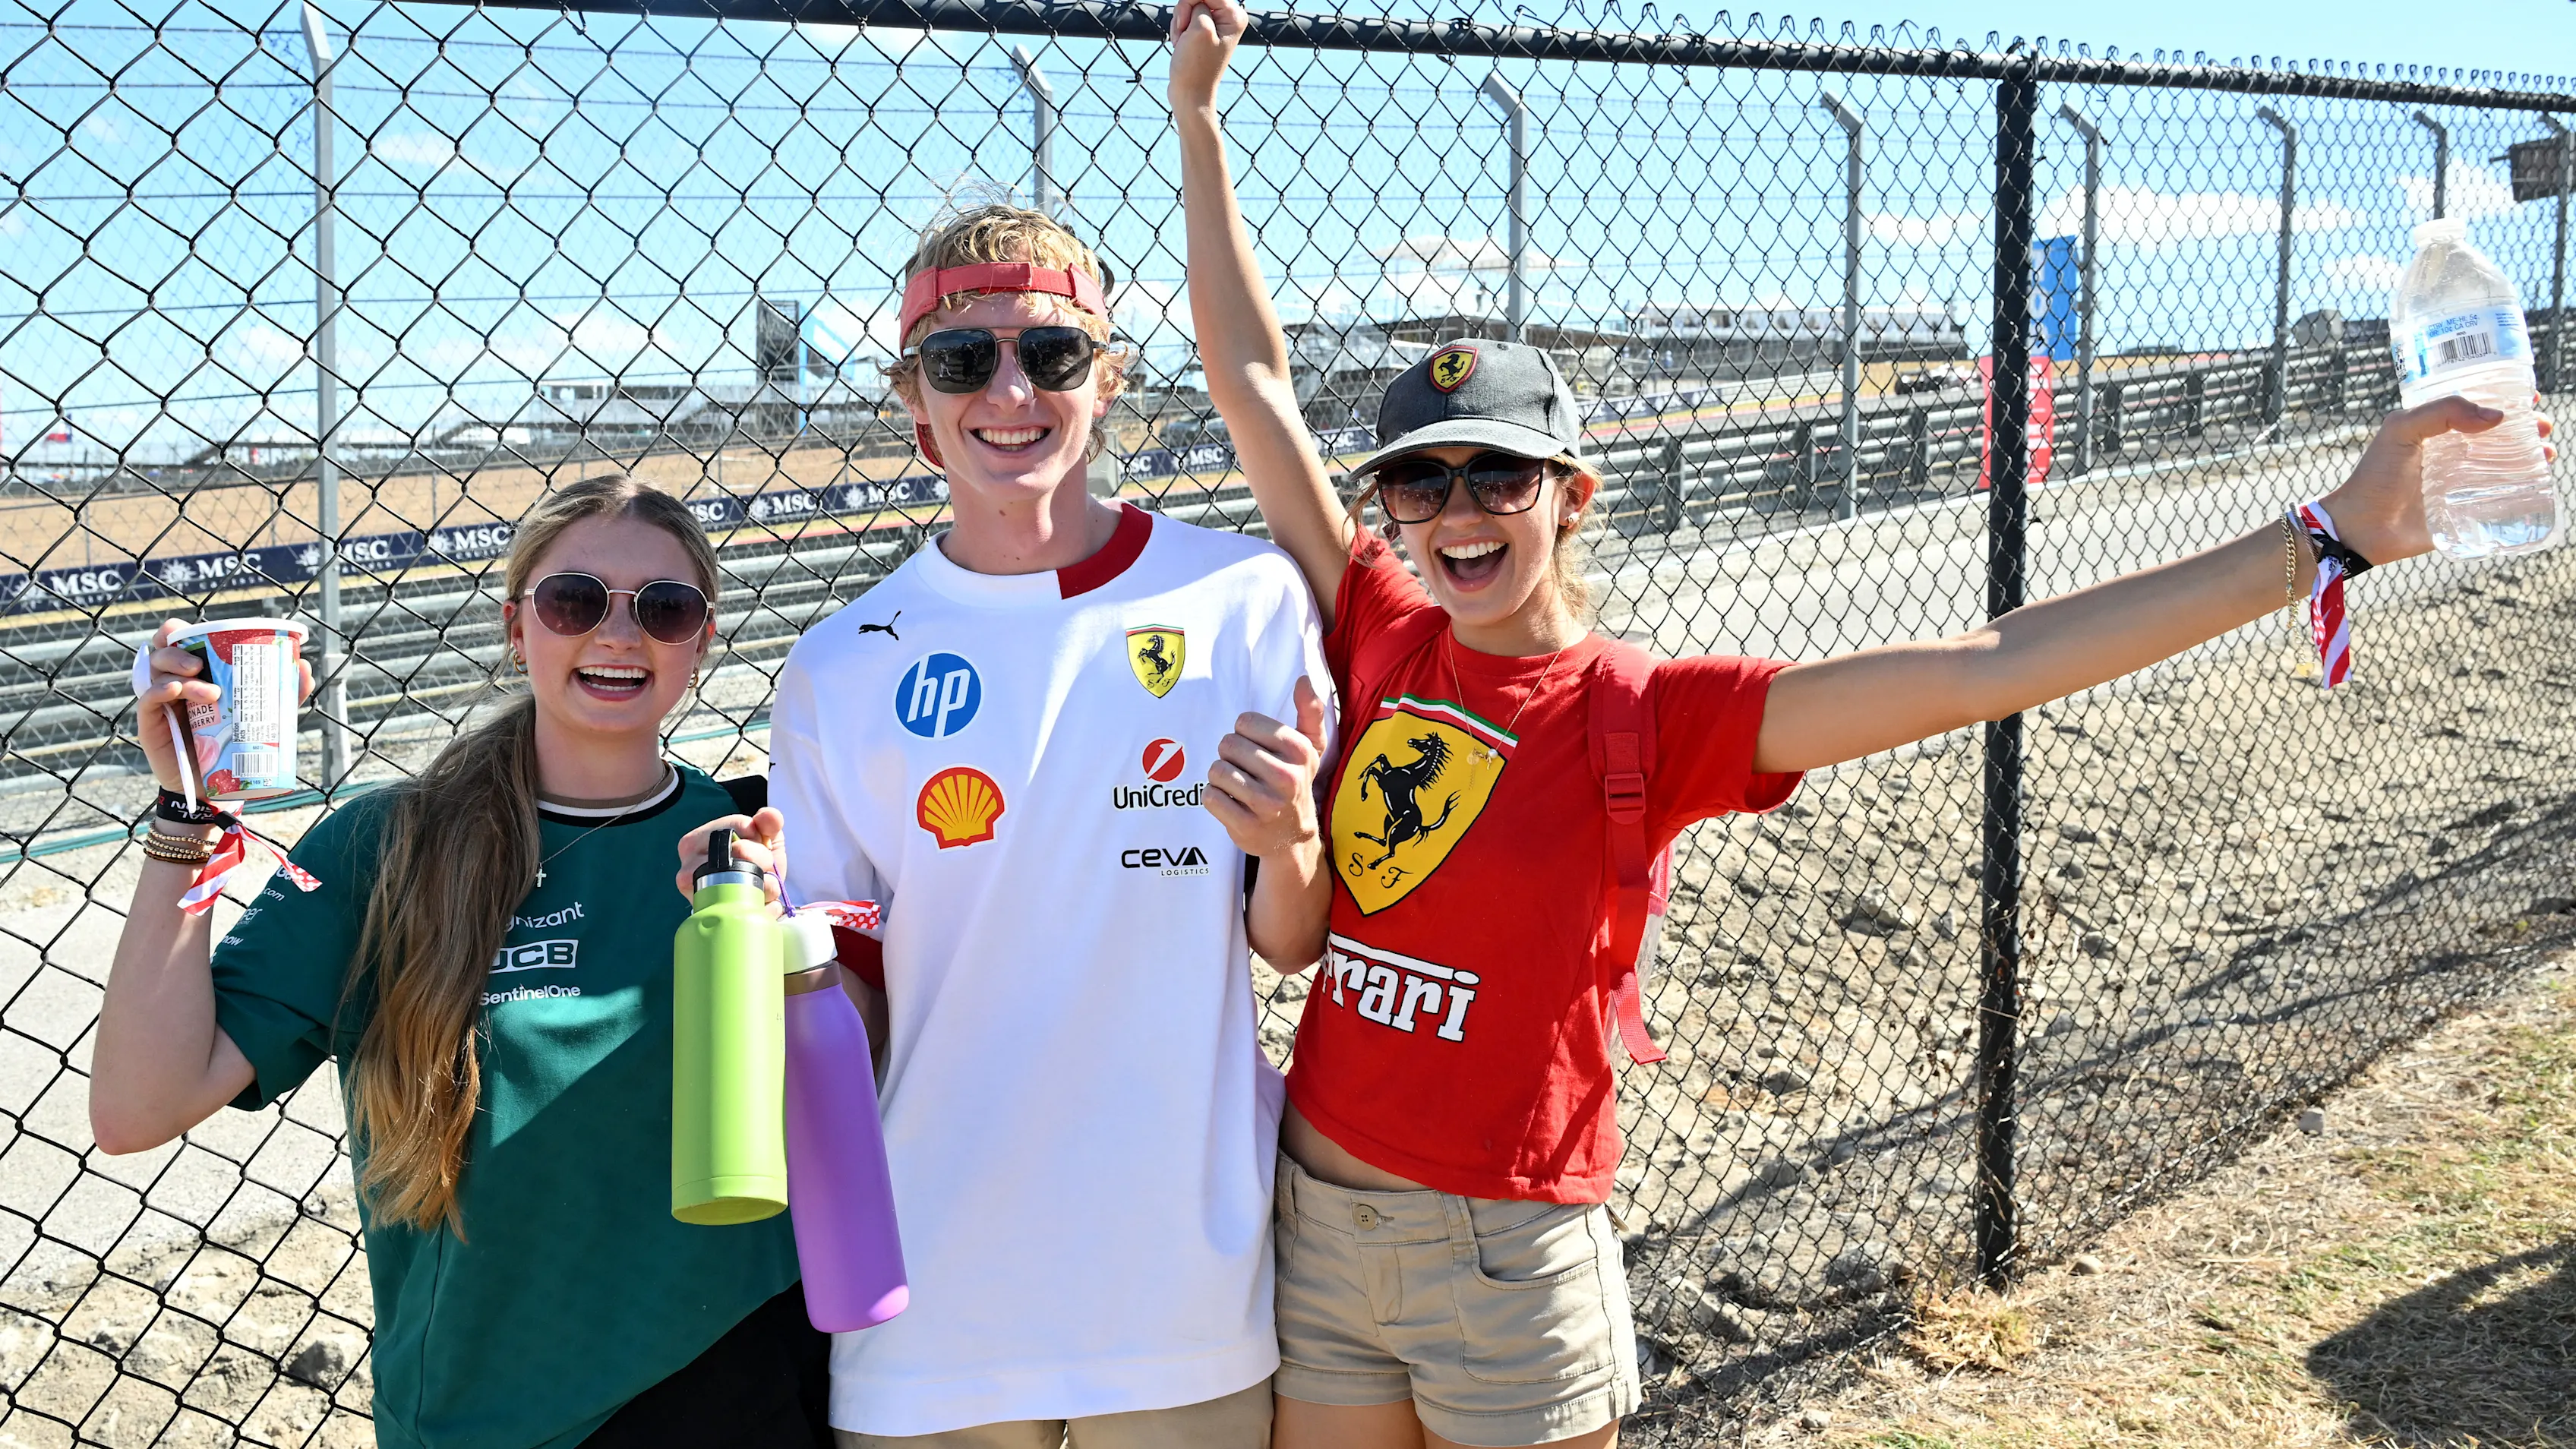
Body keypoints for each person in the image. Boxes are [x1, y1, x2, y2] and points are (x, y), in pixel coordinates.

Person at [1168, 4, 2556, 1445]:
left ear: (1572, 496)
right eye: (1421, 482)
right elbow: (1256, 385)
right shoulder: (1382, 625)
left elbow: (1986, 664)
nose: (1456, 510)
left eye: (1499, 477)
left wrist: (2325, 538)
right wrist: (1198, 121)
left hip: (1506, 1254)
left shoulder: (1647, 712)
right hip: (1322, 1217)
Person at [674, 197, 1332, 1446]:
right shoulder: (843, 664)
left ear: (1108, 380)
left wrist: (1292, 839)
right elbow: (852, 985)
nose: (1010, 391)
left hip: (1177, 1280)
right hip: (931, 1293)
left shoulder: (1242, 597)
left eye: (1053, 353)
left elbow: (1289, 940)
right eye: (963, 358)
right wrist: (773, 950)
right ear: (915, 402)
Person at [88, 475, 832, 1449]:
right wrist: (188, 812)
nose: (618, 635)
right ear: (517, 627)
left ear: (702, 638)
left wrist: (786, 941)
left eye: (663, 608)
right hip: (489, 1414)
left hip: (739, 1377)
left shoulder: (758, 838)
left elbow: (867, 1083)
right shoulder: (387, 849)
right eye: (574, 601)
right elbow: (138, 1109)